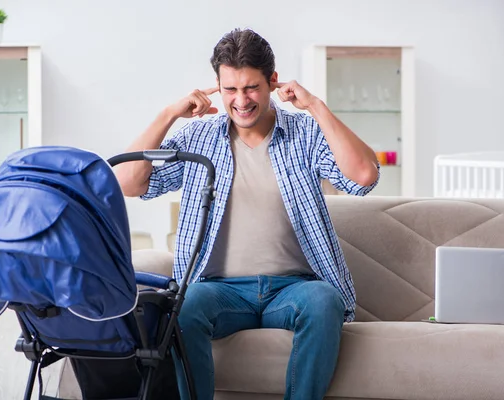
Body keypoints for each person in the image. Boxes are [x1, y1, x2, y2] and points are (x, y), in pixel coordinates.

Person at [115, 28, 379, 400]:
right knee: (183, 309)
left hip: (294, 288)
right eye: (230, 90)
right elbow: (127, 182)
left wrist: (317, 107)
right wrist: (169, 114)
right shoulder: (198, 138)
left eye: (252, 87)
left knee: (324, 302)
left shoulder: (304, 133)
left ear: (273, 81)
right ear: (218, 87)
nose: (241, 100)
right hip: (219, 290)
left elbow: (364, 177)